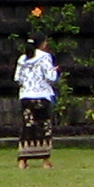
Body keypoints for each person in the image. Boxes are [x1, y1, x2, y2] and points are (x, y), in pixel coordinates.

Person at [13, 37, 57, 168]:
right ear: (42, 43)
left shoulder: (22, 58)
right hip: (42, 96)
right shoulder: (45, 56)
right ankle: (45, 161)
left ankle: (22, 161)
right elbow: (51, 77)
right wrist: (54, 71)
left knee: (27, 127)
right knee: (44, 128)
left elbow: (17, 78)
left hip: (26, 96)